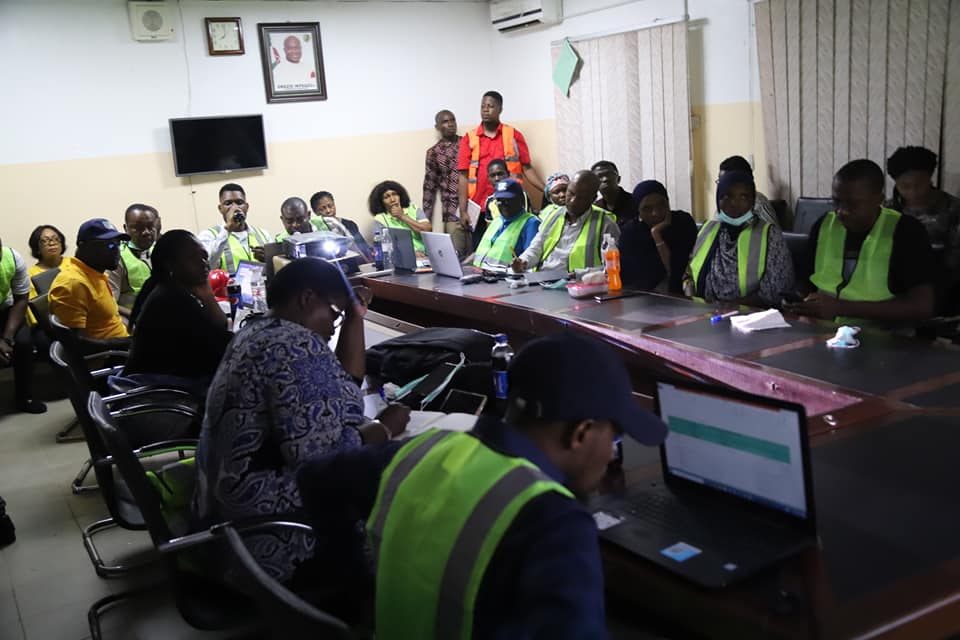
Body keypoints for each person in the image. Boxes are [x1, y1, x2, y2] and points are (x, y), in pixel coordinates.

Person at [297, 332, 667, 640]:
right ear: (582, 433)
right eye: (614, 437)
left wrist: (357, 586)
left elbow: (314, 477)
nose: (610, 454)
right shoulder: (555, 523)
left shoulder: (423, 451)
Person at [193, 258, 410, 584]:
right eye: (334, 313)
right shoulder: (294, 346)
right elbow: (329, 464)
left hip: (224, 520)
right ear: (307, 298)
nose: (334, 325)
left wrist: (354, 315)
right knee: (404, 484)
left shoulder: (258, 331)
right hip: (269, 537)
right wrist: (384, 427)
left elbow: (345, 383)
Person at [787, 159, 936, 325]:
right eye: (836, 202)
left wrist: (840, 308)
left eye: (853, 204)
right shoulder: (825, 224)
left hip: (883, 339)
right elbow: (805, 280)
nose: (841, 211)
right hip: (825, 331)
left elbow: (921, 307)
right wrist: (802, 299)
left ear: (879, 200)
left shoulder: (906, 231)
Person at [122, 230, 231, 394]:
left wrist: (207, 294)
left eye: (204, 257)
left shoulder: (168, 288)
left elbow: (219, 331)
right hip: (162, 397)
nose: (204, 264)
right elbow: (221, 347)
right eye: (194, 259)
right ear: (170, 265)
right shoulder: (171, 299)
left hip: (168, 384)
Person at [684, 171, 794, 307]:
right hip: (704, 313)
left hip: (750, 317)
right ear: (718, 201)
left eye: (743, 197)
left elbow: (776, 289)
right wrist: (690, 299)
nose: (734, 203)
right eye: (727, 197)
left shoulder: (770, 235)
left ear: (753, 201)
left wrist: (728, 308)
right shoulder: (708, 229)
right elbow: (688, 273)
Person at [885, 146, 960, 313]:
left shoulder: (953, 209)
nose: (913, 191)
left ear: (931, 178)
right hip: (894, 287)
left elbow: (954, 261)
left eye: (920, 184)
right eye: (905, 186)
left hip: (944, 288)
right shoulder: (888, 211)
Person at [457, 91, 545, 224]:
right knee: (482, 244)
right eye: (482, 106)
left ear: (500, 109)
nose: (485, 110)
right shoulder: (469, 139)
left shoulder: (514, 135)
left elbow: (527, 168)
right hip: (479, 206)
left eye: (490, 106)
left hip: (512, 203)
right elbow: (463, 177)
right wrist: (463, 211)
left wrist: (547, 189)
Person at [513, 170, 619, 276]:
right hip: (544, 279)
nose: (573, 201)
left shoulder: (605, 224)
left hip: (581, 284)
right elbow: (537, 246)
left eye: (581, 198)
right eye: (571, 193)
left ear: (593, 198)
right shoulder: (553, 215)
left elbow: (612, 266)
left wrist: (580, 274)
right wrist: (523, 261)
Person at [49, 219, 131, 349]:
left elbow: (102, 307)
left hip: (121, 342)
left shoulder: (95, 273)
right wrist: (121, 343)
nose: (117, 251)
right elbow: (75, 344)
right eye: (109, 245)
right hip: (108, 357)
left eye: (118, 244)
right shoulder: (73, 284)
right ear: (84, 247)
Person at [620, 180, 698, 294]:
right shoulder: (631, 232)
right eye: (647, 209)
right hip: (642, 298)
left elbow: (675, 272)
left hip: (680, 295)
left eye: (662, 205)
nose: (655, 213)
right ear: (638, 211)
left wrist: (657, 235)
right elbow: (633, 278)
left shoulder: (682, 222)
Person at [0, 235, 46, 413]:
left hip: (7, 311)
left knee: (24, 343)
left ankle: (23, 398)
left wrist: (7, 339)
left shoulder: (12, 257)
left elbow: (21, 300)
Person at [423, 110, 469, 257]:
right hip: (452, 214)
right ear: (437, 127)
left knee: (478, 258)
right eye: (445, 122)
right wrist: (426, 222)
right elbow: (429, 188)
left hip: (474, 211)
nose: (450, 124)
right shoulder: (434, 153)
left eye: (453, 120)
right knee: (456, 258)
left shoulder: (467, 144)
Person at [467, 179, 541, 270]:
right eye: (499, 200)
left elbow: (531, 261)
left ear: (521, 200)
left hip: (507, 280)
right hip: (482, 277)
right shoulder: (497, 221)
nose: (503, 205)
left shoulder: (531, 223)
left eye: (508, 200)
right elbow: (485, 252)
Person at [199, 183, 271, 273]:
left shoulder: (263, 234)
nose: (235, 208)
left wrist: (268, 260)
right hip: (228, 287)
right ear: (220, 209)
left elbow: (277, 265)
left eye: (239, 203)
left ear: (247, 207)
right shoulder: (209, 235)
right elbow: (206, 265)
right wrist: (228, 229)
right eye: (228, 203)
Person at [108, 203, 160, 316]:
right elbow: (110, 304)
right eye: (139, 228)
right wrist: (137, 317)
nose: (146, 232)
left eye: (150, 226)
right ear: (126, 229)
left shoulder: (162, 250)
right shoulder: (116, 258)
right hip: (132, 319)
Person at [713, 155, 779, 227]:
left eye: (725, 181)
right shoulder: (723, 203)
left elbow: (774, 234)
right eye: (720, 181)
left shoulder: (759, 204)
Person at [368, 180, 432, 254]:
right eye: (387, 197)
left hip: (425, 254)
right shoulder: (380, 219)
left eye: (394, 194)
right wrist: (411, 254)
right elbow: (384, 247)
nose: (392, 199)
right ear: (381, 201)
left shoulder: (413, 209)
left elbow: (427, 230)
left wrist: (402, 216)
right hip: (402, 258)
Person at [310, 191, 374, 261]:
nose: (328, 211)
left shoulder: (349, 224)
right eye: (322, 209)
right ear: (315, 212)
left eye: (330, 206)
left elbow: (364, 248)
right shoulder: (315, 231)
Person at [25, 224, 67, 325]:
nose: (52, 243)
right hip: (53, 324)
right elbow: (36, 313)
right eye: (45, 241)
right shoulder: (31, 276)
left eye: (55, 239)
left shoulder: (74, 263)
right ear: (37, 248)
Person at [471, 159, 510, 251]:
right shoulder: (490, 201)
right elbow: (490, 231)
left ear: (508, 174)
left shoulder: (519, 196)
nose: (497, 178)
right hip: (497, 245)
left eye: (500, 174)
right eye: (493, 175)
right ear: (488, 178)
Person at [275, 196, 349, 242]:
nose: (295, 225)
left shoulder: (330, 224)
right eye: (289, 221)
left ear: (308, 215)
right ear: (282, 220)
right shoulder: (281, 241)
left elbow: (357, 255)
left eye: (300, 219)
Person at [592, 161, 636, 227]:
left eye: (609, 174)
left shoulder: (636, 203)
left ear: (618, 179)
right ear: (593, 183)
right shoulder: (595, 208)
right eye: (599, 176)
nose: (605, 179)